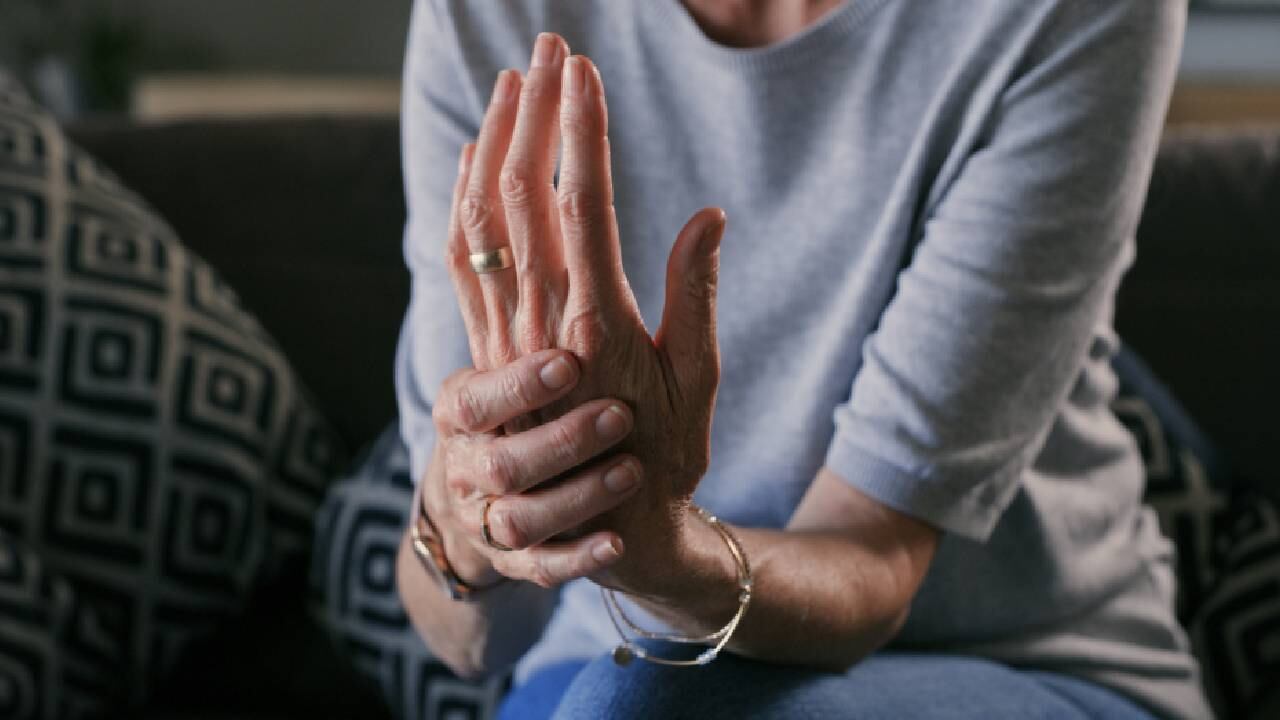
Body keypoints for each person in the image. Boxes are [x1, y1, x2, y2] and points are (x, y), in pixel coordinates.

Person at [393, 1, 1211, 718]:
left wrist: (663, 554)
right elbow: (470, 639)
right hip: (601, 667)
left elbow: (872, 560)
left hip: (1014, 661)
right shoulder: (481, 13)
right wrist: (473, 517)